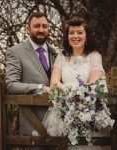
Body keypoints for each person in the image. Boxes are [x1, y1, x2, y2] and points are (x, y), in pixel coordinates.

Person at [38, 17, 109, 150]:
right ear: (67, 36)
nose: (75, 36)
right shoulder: (62, 56)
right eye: (71, 33)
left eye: (80, 32)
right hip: (64, 111)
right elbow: (54, 82)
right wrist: (69, 93)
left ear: (86, 35)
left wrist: (72, 94)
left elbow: (92, 86)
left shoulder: (94, 56)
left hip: (88, 110)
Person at [5, 11, 57, 149]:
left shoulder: (57, 52)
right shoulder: (15, 52)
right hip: (33, 124)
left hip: (60, 123)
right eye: (37, 26)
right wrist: (40, 88)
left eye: (45, 26)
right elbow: (11, 85)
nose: (41, 30)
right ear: (28, 29)